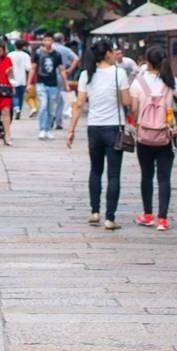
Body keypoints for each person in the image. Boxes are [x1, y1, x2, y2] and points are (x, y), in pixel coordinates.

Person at [66, 39, 132, 229]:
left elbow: (79, 104)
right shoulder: (119, 73)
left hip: (94, 128)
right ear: (108, 54)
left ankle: (95, 212)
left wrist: (71, 130)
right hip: (114, 128)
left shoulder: (86, 74)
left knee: (95, 170)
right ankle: (110, 218)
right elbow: (127, 101)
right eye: (113, 52)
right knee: (114, 174)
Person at [128, 46, 177, 230]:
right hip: (166, 134)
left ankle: (148, 214)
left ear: (147, 62)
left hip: (144, 136)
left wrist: (136, 123)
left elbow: (133, 109)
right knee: (164, 177)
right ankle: (163, 219)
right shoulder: (171, 81)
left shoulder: (138, 82)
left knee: (146, 175)